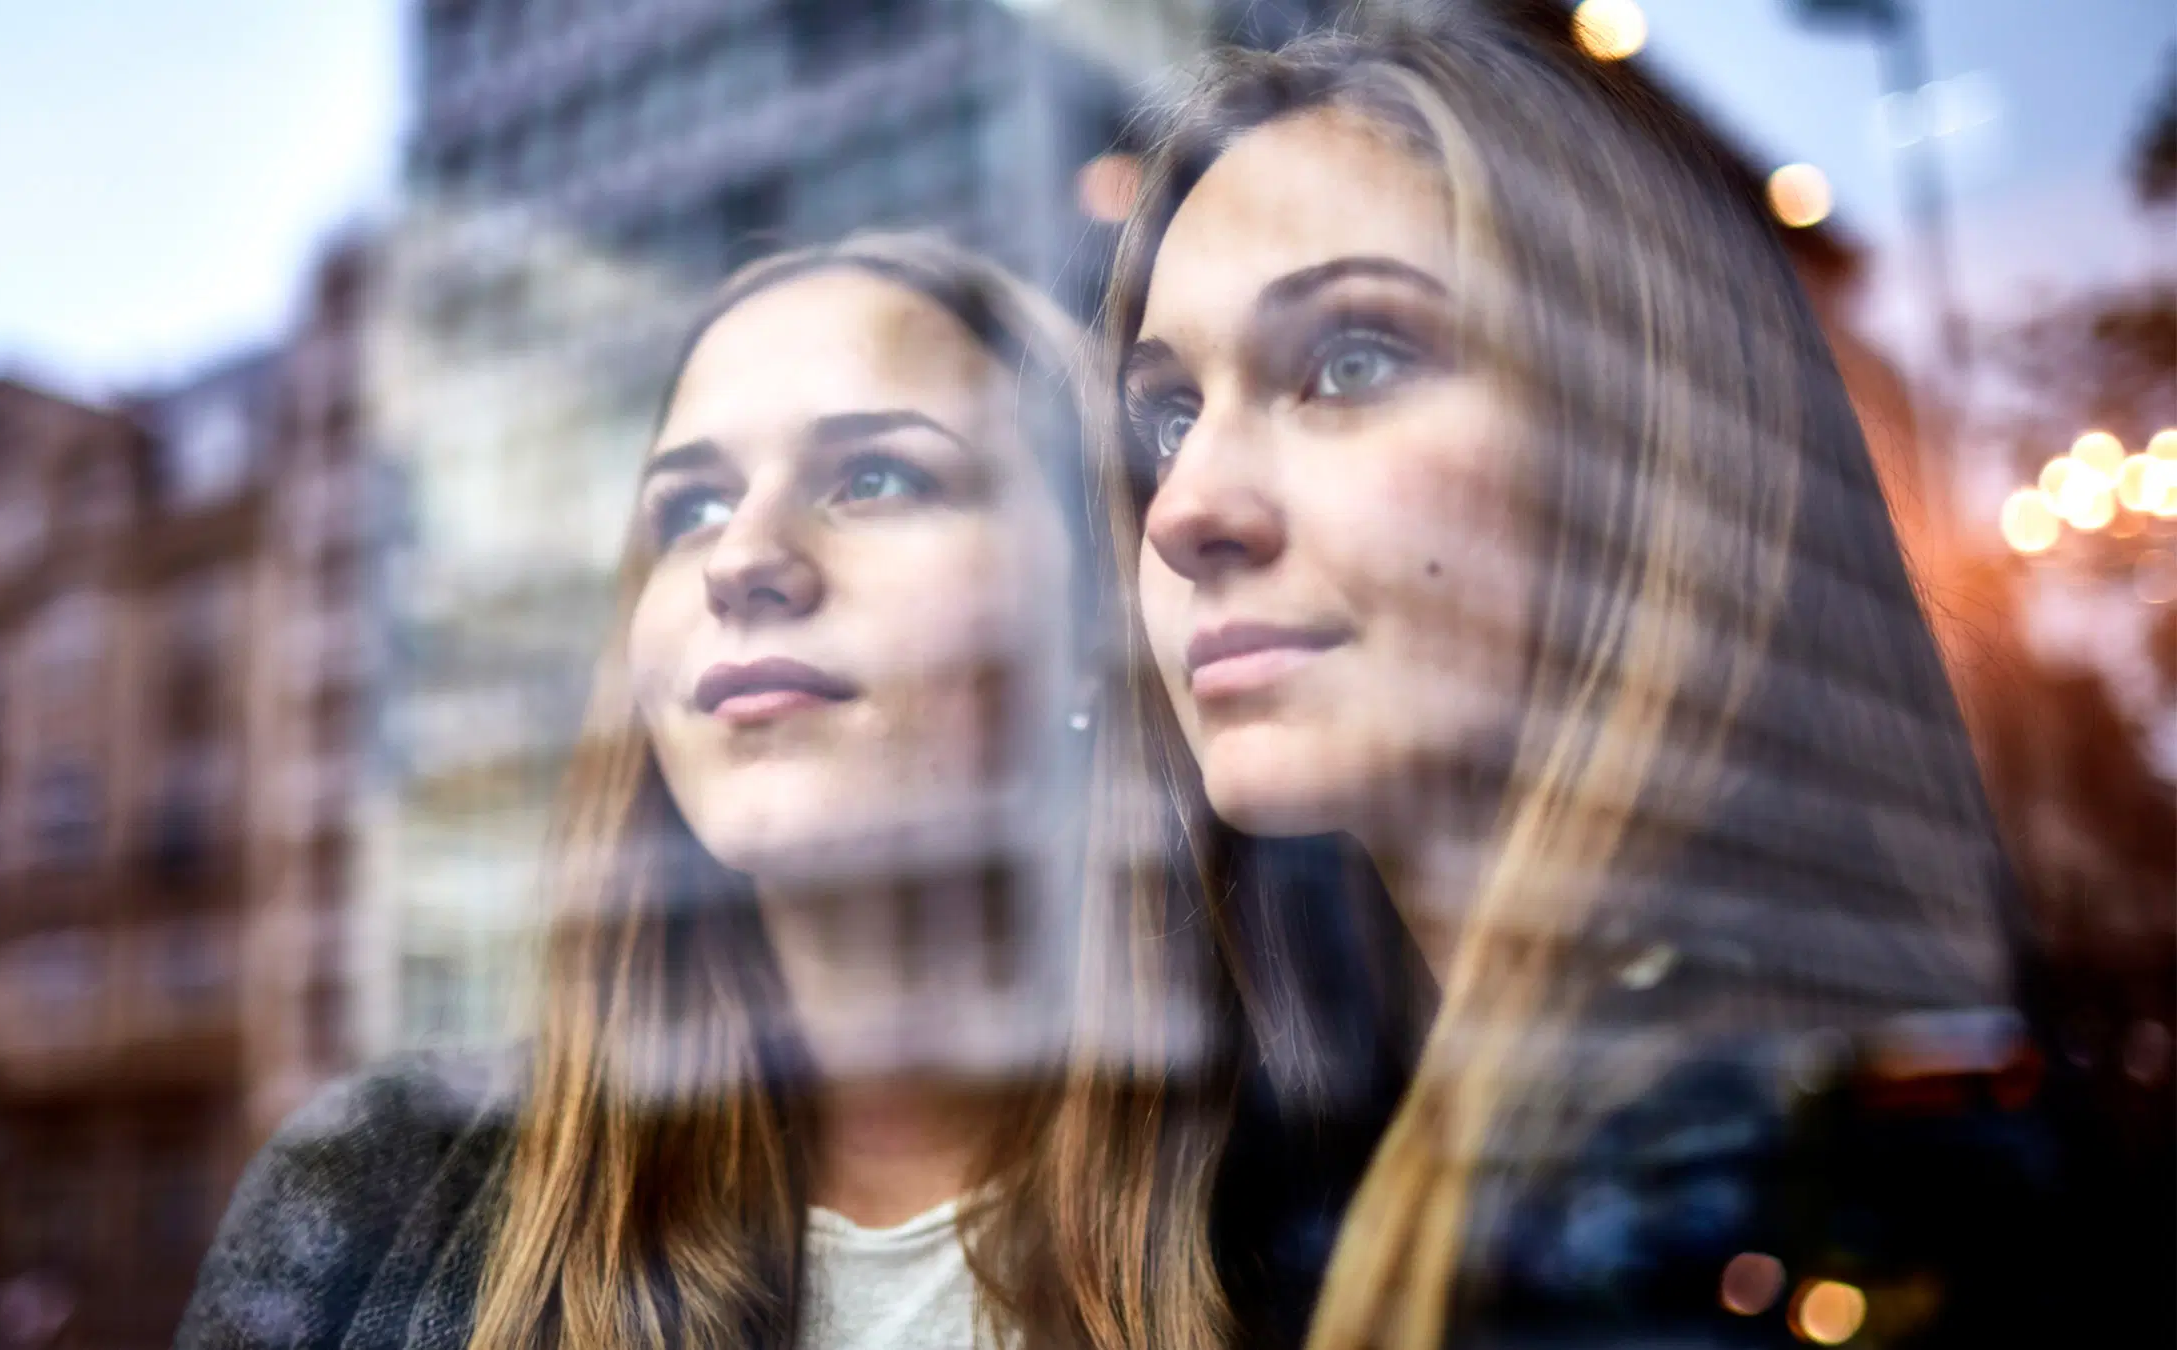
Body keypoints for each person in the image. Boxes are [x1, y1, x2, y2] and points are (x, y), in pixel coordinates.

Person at [174, 233, 1404, 1350]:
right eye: (690, 508)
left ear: (1092, 611)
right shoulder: (378, 1191)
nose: (744, 560)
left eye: (876, 478)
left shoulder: (1368, 1206)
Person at [1095, 10, 2069, 1349]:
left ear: (1643, 454)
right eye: (1167, 416)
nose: (1184, 506)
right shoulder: (1281, 1163)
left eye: (1350, 359)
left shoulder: (1746, 1188)